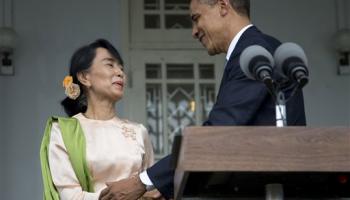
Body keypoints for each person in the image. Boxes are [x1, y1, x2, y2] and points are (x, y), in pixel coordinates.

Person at [99, 0, 306, 199]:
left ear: (223, 6)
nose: (194, 31)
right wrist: (167, 186)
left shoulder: (254, 53)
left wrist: (142, 182)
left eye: (196, 18)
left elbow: (218, 134)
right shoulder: (260, 46)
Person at [40, 39, 160, 199]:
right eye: (110, 65)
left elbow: (152, 188)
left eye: (121, 68)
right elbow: (70, 196)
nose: (120, 73)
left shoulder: (138, 131)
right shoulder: (63, 131)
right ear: (84, 77)